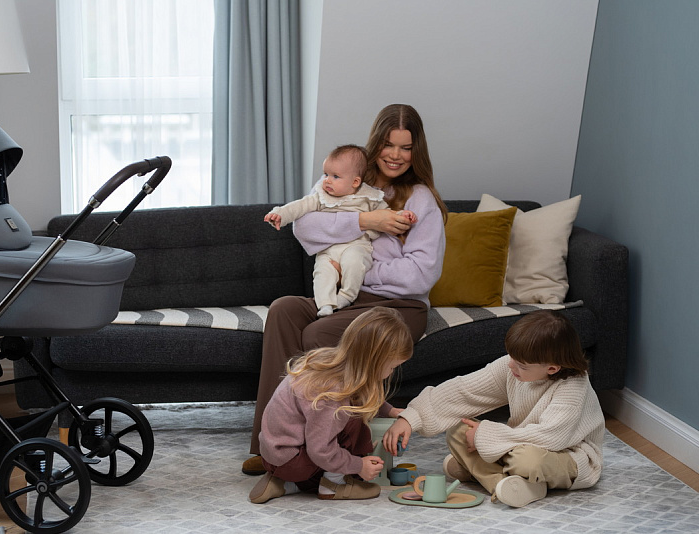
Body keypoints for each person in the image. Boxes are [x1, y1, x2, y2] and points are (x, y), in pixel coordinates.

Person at [243, 103, 449, 475]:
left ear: (416, 151)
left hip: (399, 306)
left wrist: (356, 271)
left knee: (318, 332)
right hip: (345, 297)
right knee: (284, 309)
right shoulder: (343, 175)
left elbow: (420, 275)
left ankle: (326, 449)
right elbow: (304, 227)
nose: (396, 155)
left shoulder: (421, 200)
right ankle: (271, 445)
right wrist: (367, 220)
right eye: (389, 144)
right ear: (376, 142)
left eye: (406, 147)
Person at [382, 310, 605, 508]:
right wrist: (410, 417)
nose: (511, 365)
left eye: (521, 365)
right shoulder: (514, 366)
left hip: (565, 454)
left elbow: (550, 437)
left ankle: (480, 472)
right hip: (518, 441)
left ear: (552, 369)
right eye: (511, 358)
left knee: (527, 461)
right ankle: (512, 485)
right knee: (458, 430)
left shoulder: (573, 387)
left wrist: (484, 435)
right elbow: (463, 390)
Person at [248, 307, 414, 503]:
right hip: (292, 462)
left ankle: (285, 483)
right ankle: (333, 485)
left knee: (348, 416)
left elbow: (360, 393)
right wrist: (358, 465)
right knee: (354, 419)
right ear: (373, 362)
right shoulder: (332, 392)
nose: (392, 372)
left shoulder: (331, 362)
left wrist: (389, 410)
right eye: (392, 366)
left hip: (276, 456)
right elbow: (321, 451)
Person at [264, 144, 417, 317]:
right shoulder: (321, 196)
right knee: (322, 272)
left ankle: (346, 296)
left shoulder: (369, 197)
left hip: (357, 245)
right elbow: (299, 206)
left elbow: (386, 215)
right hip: (328, 249)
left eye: (335, 176)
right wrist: (280, 214)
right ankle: (325, 304)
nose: (327, 180)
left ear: (355, 182)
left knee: (354, 263)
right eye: (326, 174)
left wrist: (403, 215)